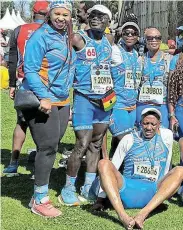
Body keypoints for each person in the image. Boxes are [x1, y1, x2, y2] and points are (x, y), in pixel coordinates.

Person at [19, 0, 75, 217]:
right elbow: (30, 70)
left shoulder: (66, 36)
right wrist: (44, 97)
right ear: (49, 14)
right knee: (48, 147)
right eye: (57, 14)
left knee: (53, 144)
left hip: (62, 100)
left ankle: (39, 190)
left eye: (66, 14)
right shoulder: (39, 36)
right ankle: (40, 199)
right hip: (43, 99)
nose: (61, 18)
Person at [60, 4, 117, 206]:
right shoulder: (79, 38)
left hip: (105, 100)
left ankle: (88, 187)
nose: (96, 19)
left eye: (101, 17)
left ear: (108, 22)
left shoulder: (110, 40)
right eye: (93, 16)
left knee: (96, 144)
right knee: (82, 144)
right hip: (84, 98)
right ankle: (67, 187)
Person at [96, 108, 183, 229]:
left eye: (153, 124)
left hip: (153, 193)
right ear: (140, 123)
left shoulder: (167, 136)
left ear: (159, 125)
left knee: (180, 170)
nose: (149, 127)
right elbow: (113, 167)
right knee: (103, 163)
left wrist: (166, 187)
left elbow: (167, 162)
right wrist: (100, 200)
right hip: (128, 190)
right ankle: (123, 216)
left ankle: (143, 214)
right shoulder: (128, 139)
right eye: (145, 123)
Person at [3, 0, 48, 176]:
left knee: (21, 123)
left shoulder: (19, 30)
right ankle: (40, 164)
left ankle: (13, 163)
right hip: (46, 83)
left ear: (33, 13)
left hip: (24, 82)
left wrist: (12, 85)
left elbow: (12, 59)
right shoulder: (51, 31)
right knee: (44, 123)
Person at [108, 20, 142, 156]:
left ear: (137, 36)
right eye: (126, 33)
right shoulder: (115, 50)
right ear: (121, 34)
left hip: (132, 106)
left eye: (133, 33)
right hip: (117, 104)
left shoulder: (136, 54)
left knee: (118, 143)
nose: (130, 36)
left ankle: (113, 168)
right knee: (127, 141)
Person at [136, 27, 171, 130]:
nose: (154, 40)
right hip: (143, 104)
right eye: (150, 38)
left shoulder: (168, 59)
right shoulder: (140, 60)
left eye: (157, 38)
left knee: (162, 136)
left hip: (162, 105)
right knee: (142, 136)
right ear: (145, 40)